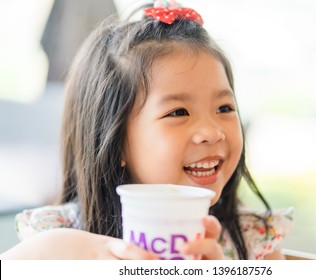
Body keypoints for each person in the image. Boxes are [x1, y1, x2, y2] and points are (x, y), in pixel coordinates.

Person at [0, 0, 292, 260]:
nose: (212, 132)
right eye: (178, 112)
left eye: (225, 108)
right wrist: (50, 250)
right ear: (115, 142)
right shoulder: (63, 240)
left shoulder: (253, 241)